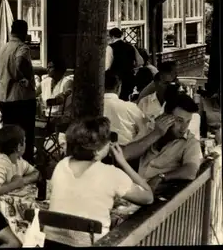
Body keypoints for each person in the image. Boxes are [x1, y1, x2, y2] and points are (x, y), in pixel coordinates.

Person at [44, 117, 153, 247]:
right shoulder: (111, 173)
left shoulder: (62, 165)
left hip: (51, 243)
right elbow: (148, 197)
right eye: (107, 141)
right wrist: (123, 162)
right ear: (97, 149)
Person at [122, 93, 203, 192]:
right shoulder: (150, 129)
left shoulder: (190, 142)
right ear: (166, 117)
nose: (184, 128)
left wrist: (161, 177)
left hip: (161, 197)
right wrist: (156, 134)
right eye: (179, 121)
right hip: (135, 190)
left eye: (188, 122)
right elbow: (125, 154)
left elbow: (191, 171)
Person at [0, 20, 37, 164]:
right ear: (24, 31)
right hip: (21, 98)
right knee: (25, 132)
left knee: (9, 132)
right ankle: (25, 162)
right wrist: (22, 77)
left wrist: (3, 75)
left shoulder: (4, 48)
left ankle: (9, 162)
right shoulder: (23, 47)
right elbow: (19, 61)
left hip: (4, 97)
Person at [103, 71, 148, 144]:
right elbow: (144, 131)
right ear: (119, 87)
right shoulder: (131, 107)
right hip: (126, 151)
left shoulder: (90, 107)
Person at [105, 28, 144, 101]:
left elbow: (107, 66)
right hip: (129, 78)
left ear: (112, 36)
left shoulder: (110, 47)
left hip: (115, 80)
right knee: (126, 99)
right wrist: (131, 66)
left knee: (116, 100)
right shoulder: (130, 46)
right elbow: (140, 62)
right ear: (121, 35)